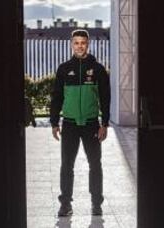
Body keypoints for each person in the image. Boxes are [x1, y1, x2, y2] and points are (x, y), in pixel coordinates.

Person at [50, 28, 111, 217]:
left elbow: (105, 98)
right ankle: (65, 204)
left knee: (95, 164)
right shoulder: (63, 68)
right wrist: (54, 122)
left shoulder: (98, 69)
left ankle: (96, 204)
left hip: (92, 124)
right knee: (67, 165)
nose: (79, 46)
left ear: (88, 44)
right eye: (76, 42)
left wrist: (105, 123)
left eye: (83, 42)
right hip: (69, 124)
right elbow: (57, 97)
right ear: (71, 44)